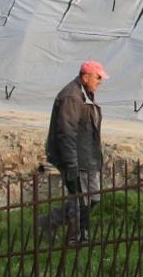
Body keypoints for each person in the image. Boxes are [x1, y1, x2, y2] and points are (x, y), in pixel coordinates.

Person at [44, 60, 108, 243]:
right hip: (76, 158)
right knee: (82, 201)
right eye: (98, 77)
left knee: (93, 197)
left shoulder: (86, 93)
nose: (100, 81)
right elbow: (66, 133)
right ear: (85, 76)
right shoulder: (72, 97)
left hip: (87, 156)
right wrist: (71, 164)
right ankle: (79, 238)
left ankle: (51, 220)